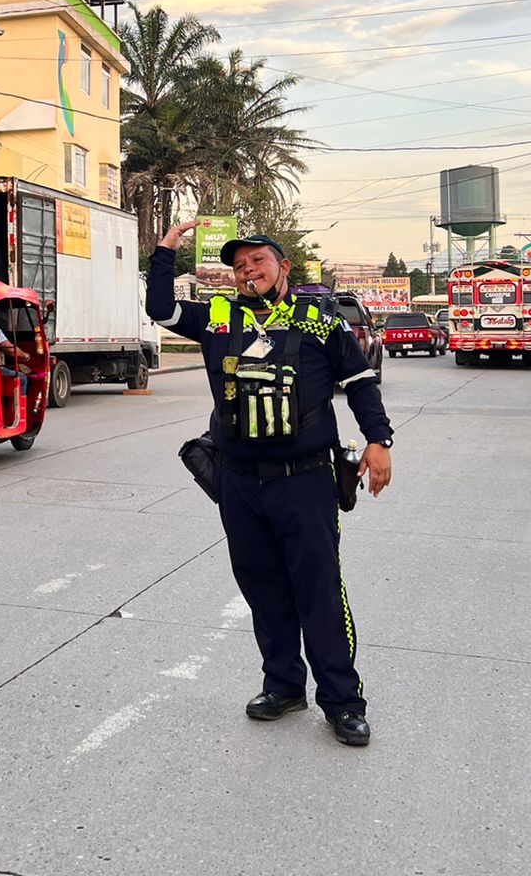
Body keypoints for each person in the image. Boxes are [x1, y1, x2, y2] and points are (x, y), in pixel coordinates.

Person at [147, 222, 393, 748]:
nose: (248, 271)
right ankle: (283, 685)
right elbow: (161, 310)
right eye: (239, 266)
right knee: (262, 587)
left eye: (258, 261)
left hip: (305, 481)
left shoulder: (319, 320)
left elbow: (359, 382)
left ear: (284, 267)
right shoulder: (219, 318)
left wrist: (378, 439)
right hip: (239, 483)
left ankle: (343, 702)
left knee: (319, 591)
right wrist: (166, 250)